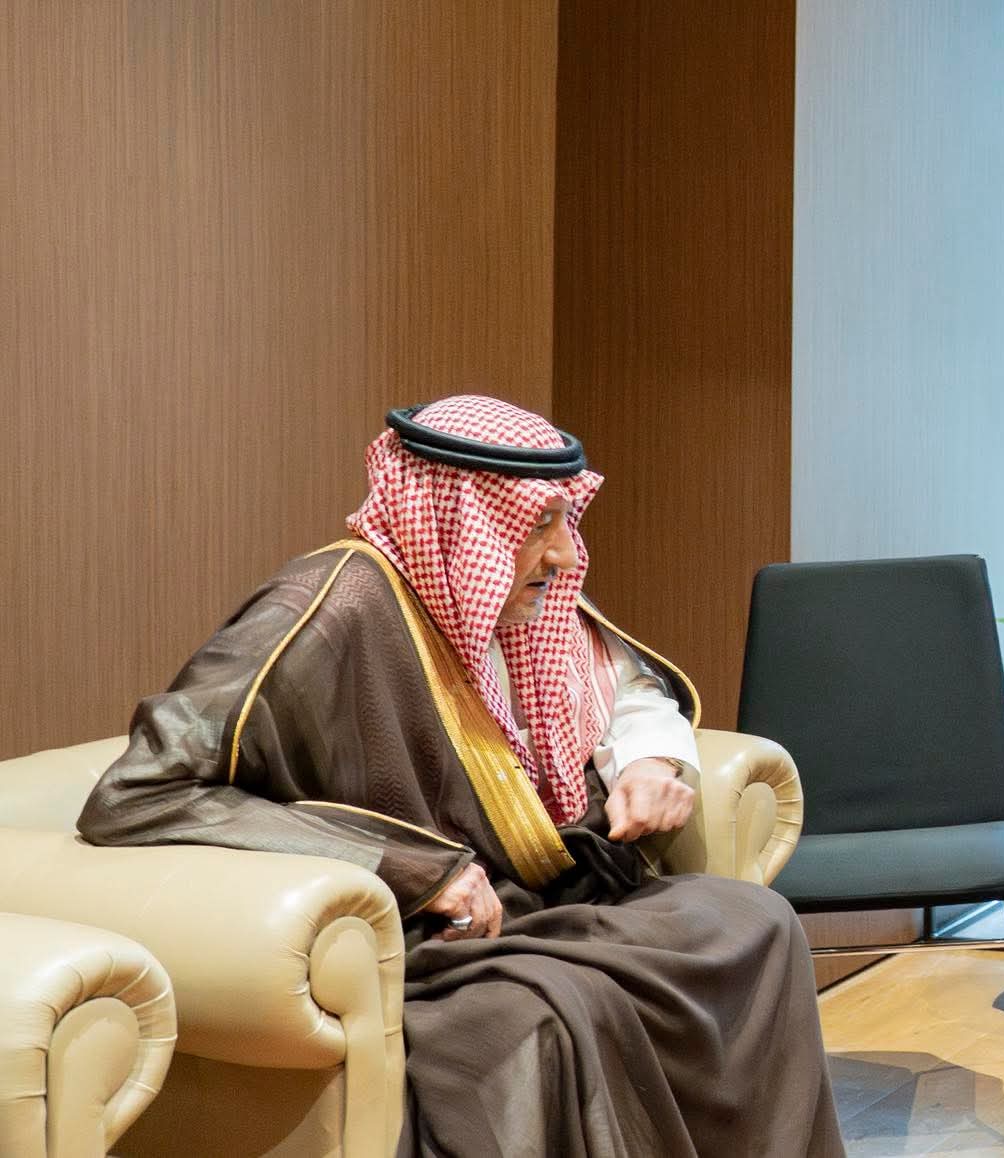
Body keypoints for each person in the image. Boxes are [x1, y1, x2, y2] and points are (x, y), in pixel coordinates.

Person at [78, 395, 844, 1157]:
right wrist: (409, 868)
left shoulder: (523, 599)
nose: (564, 555)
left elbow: (626, 689)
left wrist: (650, 760)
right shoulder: (329, 606)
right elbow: (141, 793)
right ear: (463, 523)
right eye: (538, 526)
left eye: (565, 522)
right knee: (547, 1017)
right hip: (434, 940)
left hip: (557, 900)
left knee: (755, 923)